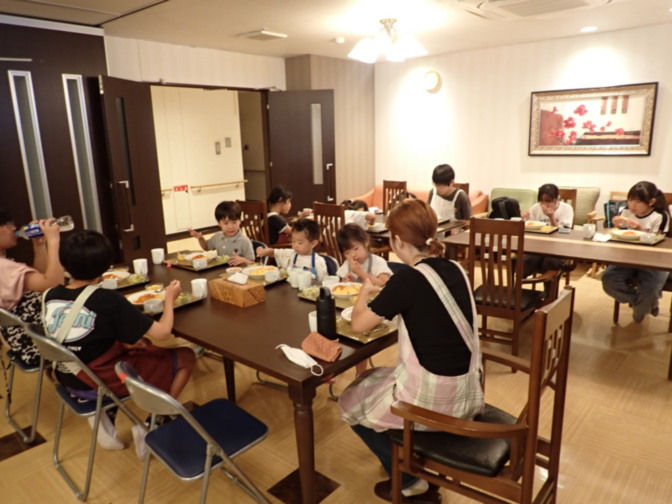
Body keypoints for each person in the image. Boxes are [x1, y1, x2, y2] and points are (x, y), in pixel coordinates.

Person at [339, 199, 484, 503]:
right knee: (373, 378)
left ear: (397, 240)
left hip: (434, 401)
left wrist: (364, 291)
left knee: (349, 401)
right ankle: (406, 459)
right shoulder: (456, 268)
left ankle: (409, 479)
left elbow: (359, 325)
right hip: (470, 388)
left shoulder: (408, 279)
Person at [42, 230, 195, 455]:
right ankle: (154, 422)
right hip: (100, 380)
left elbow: (82, 336)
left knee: (142, 342)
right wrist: (169, 299)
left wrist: (125, 343)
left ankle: (107, 413)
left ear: (64, 264)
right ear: (106, 266)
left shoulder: (49, 295)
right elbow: (163, 333)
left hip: (67, 376)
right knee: (187, 356)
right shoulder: (108, 300)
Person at [0, 208, 64, 367]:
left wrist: (39, 245)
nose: (13, 228)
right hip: (38, 343)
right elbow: (54, 285)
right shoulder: (3, 267)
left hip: (23, 338)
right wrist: (53, 242)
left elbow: (40, 280)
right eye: (5, 225)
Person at [602, 181, 670, 323]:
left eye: (638, 202)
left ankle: (641, 309)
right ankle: (646, 304)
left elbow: (660, 243)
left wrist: (640, 229)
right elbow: (621, 236)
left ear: (651, 202)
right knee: (608, 279)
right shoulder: (626, 212)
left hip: (655, 261)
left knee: (650, 289)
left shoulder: (660, 216)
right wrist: (617, 227)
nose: (632, 205)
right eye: (630, 200)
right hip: (628, 258)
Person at [521, 183, 574, 279]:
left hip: (558, 248)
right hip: (537, 247)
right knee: (524, 261)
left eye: (548, 201)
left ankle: (550, 288)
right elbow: (528, 229)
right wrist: (524, 220)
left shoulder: (566, 209)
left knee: (550, 263)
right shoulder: (535, 208)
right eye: (541, 201)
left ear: (557, 199)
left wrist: (551, 217)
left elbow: (565, 233)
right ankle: (517, 286)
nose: (544, 204)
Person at [256, 218, 328, 281]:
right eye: (293, 241)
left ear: (313, 243)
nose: (295, 246)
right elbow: (273, 252)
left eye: (300, 243)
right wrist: (263, 251)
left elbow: (324, 284)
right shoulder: (290, 254)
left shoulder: (318, 262)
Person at [188, 201, 255, 266]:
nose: (230, 227)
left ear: (240, 221)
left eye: (234, 222)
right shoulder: (217, 236)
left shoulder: (244, 241)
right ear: (219, 223)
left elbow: (252, 263)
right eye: (226, 223)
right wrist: (200, 238)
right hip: (220, 270)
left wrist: (243, 260)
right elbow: (206, 247)